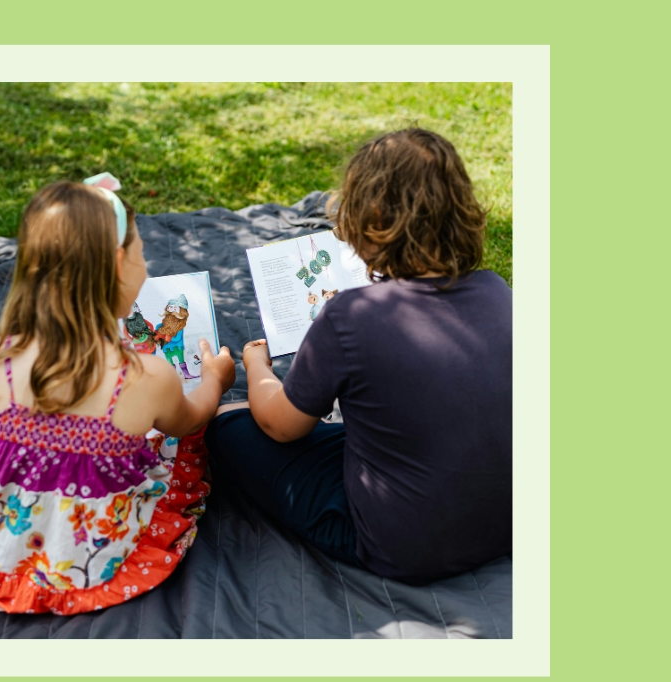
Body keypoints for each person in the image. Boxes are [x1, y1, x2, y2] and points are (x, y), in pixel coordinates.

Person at [207, 127, 512, 585]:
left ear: (369, 222)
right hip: (508, 523)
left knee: (227, 423)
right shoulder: (500, 291)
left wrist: (256, 367)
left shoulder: (351, 314)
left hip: (402, 546)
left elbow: (280, 425)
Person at [0, 178, 235, 615]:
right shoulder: (145, 376)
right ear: (119, 264)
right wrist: (215, 379)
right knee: (181, 443)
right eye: (142, 254)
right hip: (94, 565)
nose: (145, 266)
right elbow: (192, 416)